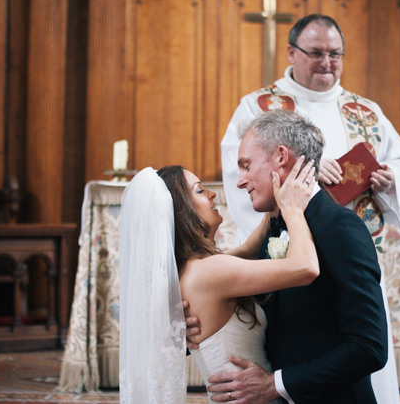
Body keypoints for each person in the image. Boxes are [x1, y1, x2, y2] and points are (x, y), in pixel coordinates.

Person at [220, 14, 400, 403]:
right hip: (292, 252)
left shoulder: (363, 110)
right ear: (292, 53)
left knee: (354, 343)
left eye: (336, 54)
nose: (327, 63)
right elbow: (243, 178)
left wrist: (390, 176)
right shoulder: (259, 106)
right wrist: (298, 193)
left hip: (345, 241)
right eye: (316, 53)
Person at [199, 109, 388, 403]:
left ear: (281, 158)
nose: (240, 181)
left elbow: (369, 347)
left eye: (247, 166)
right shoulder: (276, 225)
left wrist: (275, 385)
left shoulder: (339, 227)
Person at [118, 153, 319, 403]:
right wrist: (293, 210)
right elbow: (305, 267)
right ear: (181, 212)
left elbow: (247, 250)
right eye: (200, 191)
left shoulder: (191, 269)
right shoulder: (209, 272)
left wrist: (275, 199)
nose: (212, 194)